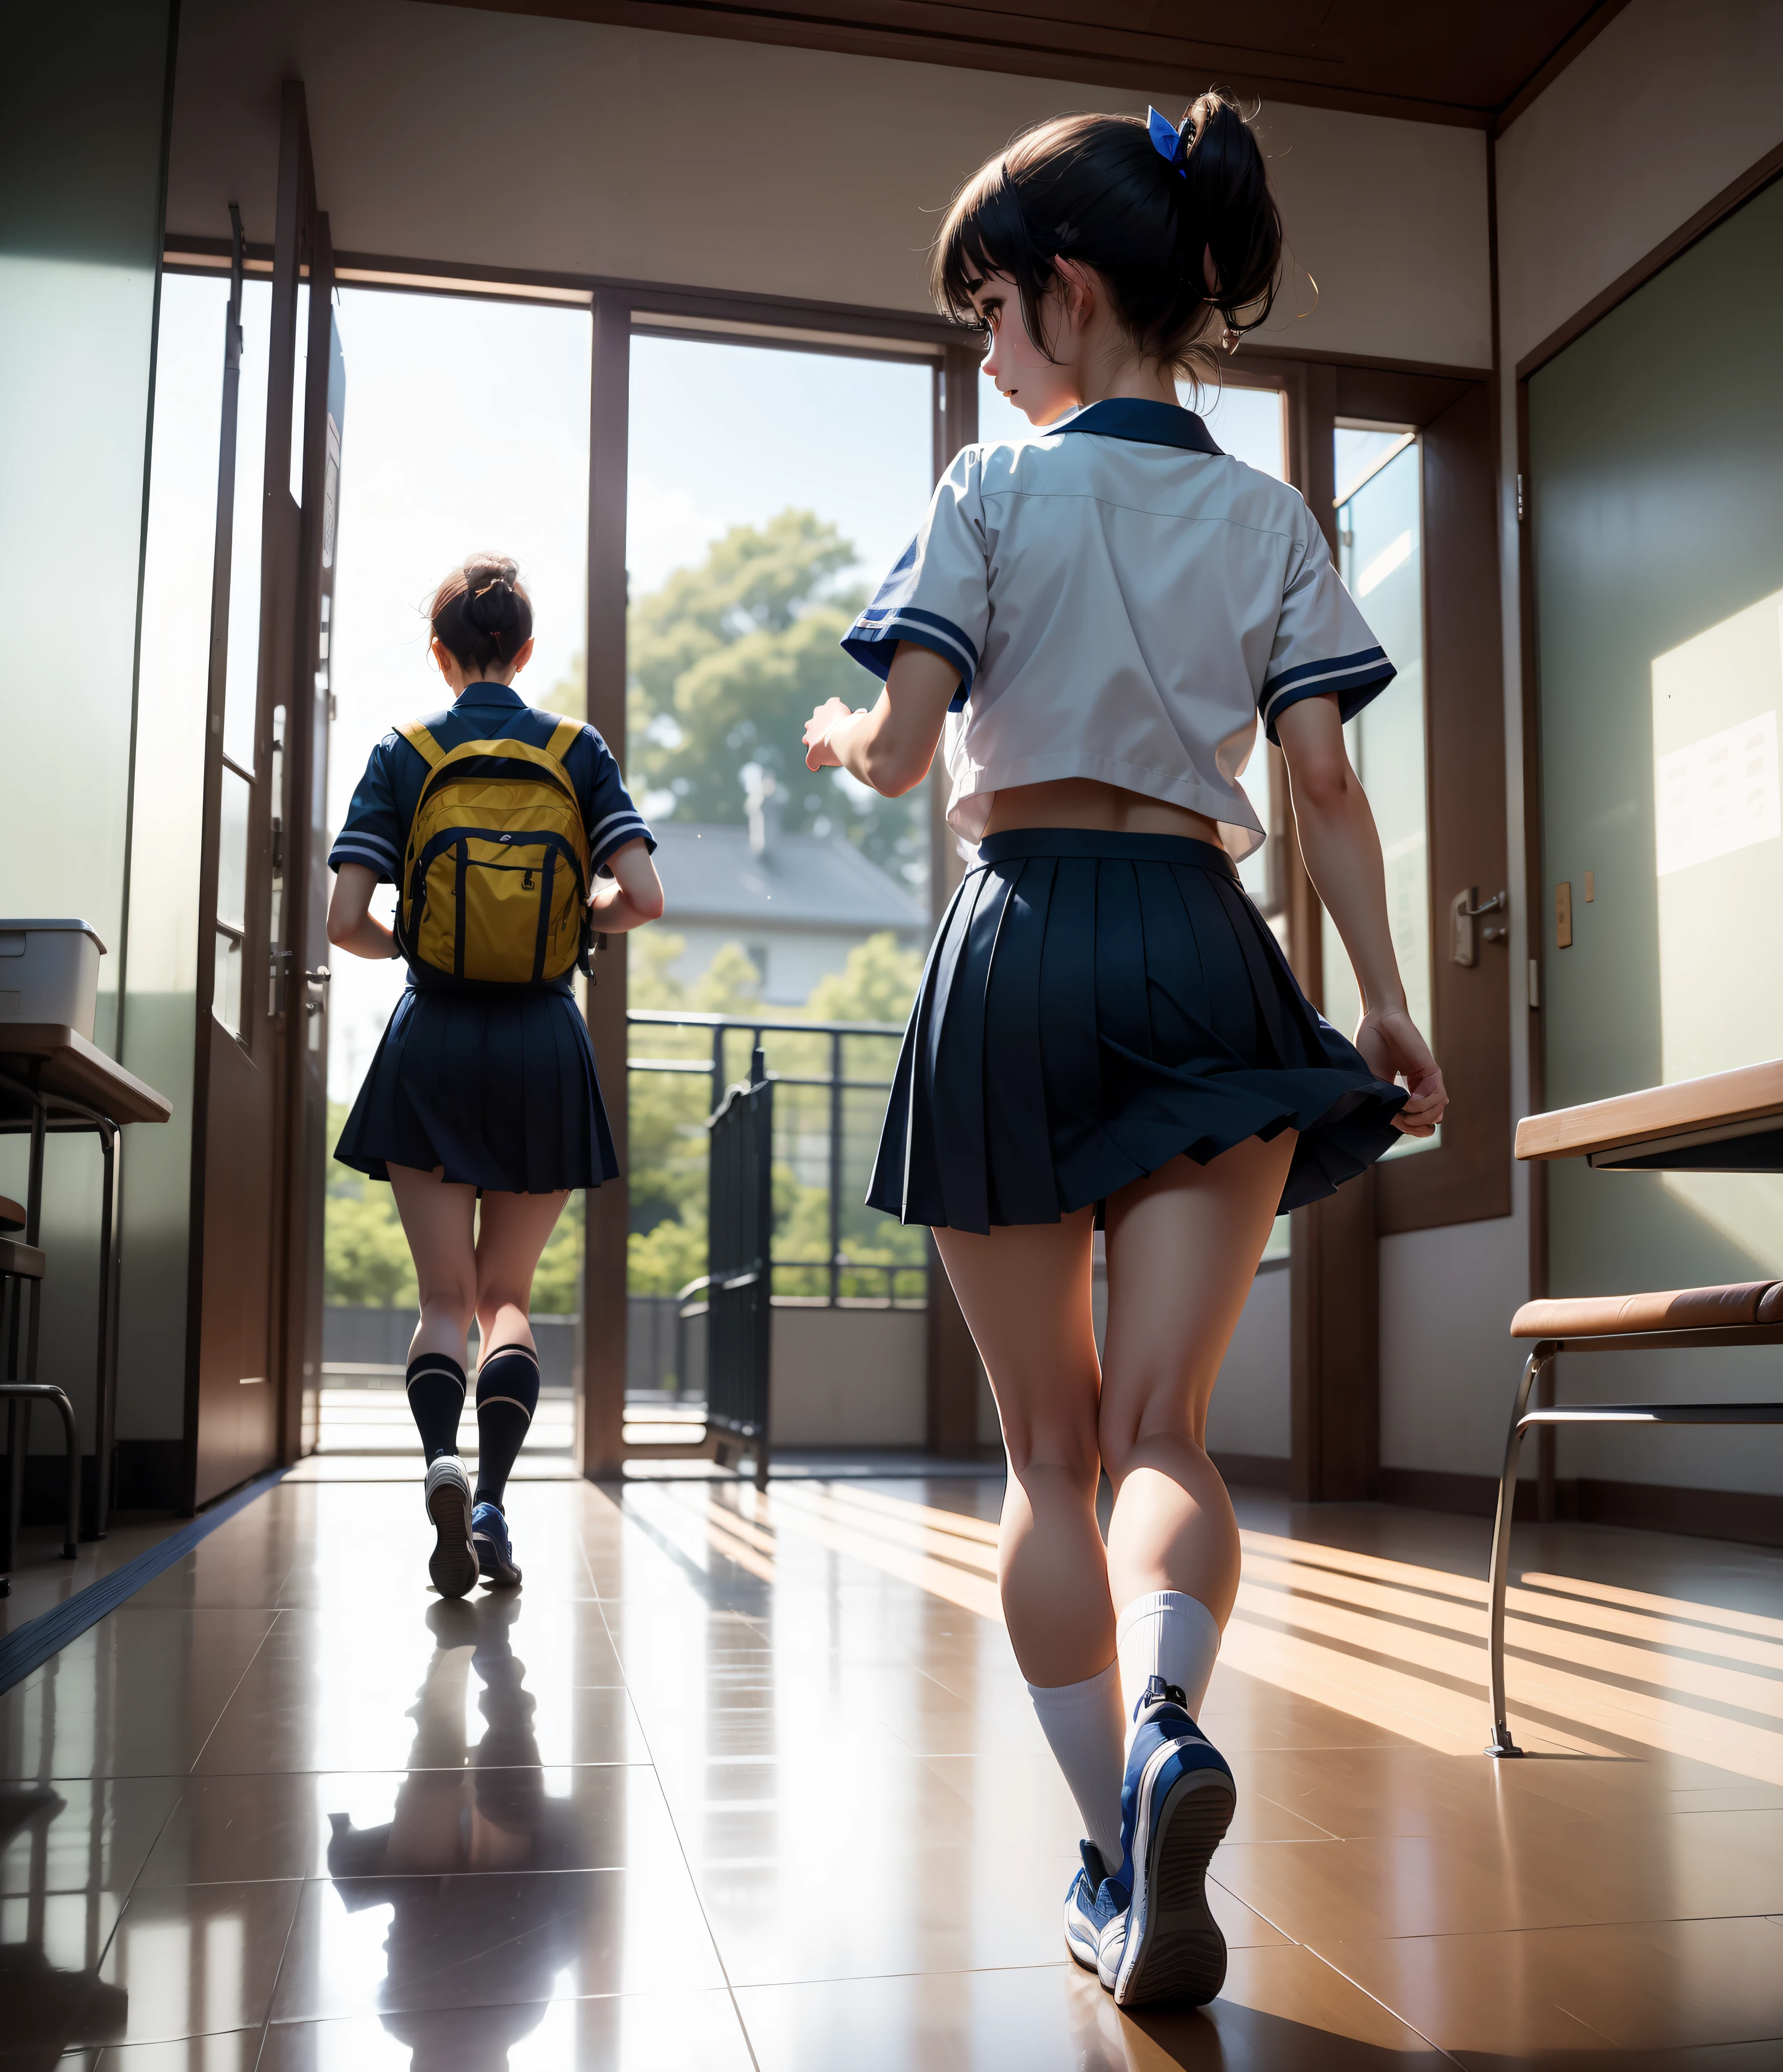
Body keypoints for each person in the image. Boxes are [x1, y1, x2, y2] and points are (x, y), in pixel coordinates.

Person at [802, 93, 1448, 2010]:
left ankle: (1108, 1844)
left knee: (1044, 1450)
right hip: (1198, 947)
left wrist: (842, 747)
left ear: (1066, 296)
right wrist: (1392, 997)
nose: (983, 360)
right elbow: (1323, 779)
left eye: (989, 318)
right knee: (1164, 1428)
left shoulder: (985, 497)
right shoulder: (1264, 513)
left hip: (1014, 955)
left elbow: (910, 750)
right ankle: (1173, 1719)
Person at [327, 556, 663, 1600]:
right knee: (507, 1299)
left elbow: (345, 922)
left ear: (441, 654)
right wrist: (576, 925)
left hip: (432, 1041)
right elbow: (644, 897)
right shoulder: (577, 751)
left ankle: (439, 1460)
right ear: (525, 651)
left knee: (444, 1299)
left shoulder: (407, 751)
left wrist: (418, 948)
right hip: (539, 1044)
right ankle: (491, 1511)